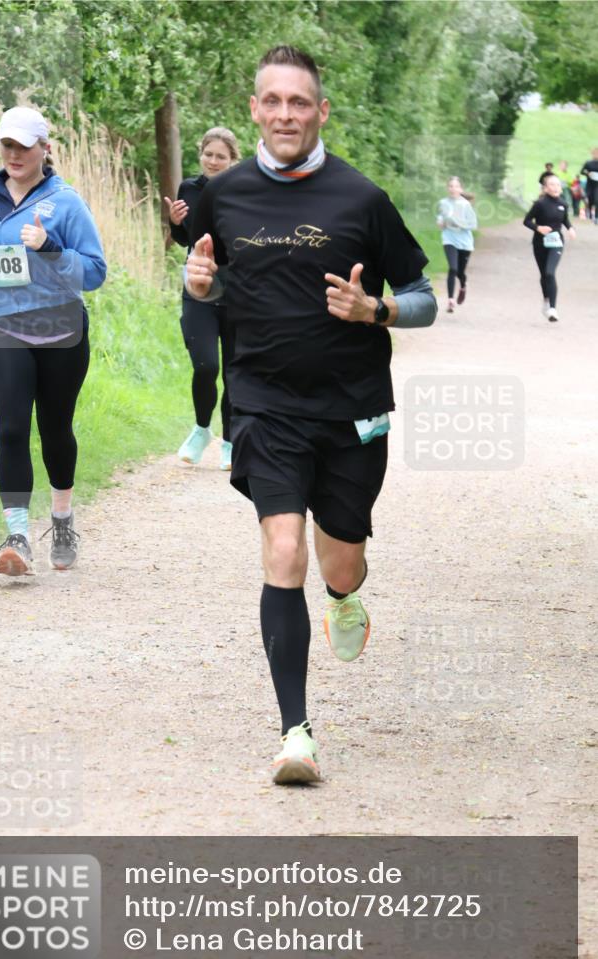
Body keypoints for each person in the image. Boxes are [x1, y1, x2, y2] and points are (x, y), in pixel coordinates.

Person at [185, 46, 436, 785]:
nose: (285, 114)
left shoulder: (362, 199)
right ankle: (296, 732)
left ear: (320, 111)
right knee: (282, 551)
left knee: (339, 556)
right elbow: (207, 281)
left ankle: (344, 597)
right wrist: (198, 285)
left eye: (300, 102)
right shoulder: (221, 195)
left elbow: (423, 297)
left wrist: (377, 308)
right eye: (272, 101)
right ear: (254, 108)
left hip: (353, 410)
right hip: (264, 403)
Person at [0, 106, 106, 576]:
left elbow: (96, 273)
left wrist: (51, 249)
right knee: (11, 427)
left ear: (46, 149)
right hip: (2, 326)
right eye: (7, 145)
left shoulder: (66, 203)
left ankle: (61, 520)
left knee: (55, 430)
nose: (14, 154)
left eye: (24, 146)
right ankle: (16, 535)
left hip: (60, 331)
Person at [165, 128, 240, 470]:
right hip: (199, 284)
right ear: (201, 156)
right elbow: (185, 239)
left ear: (232, 160)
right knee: (206, 365)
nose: (213, 161)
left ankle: (230, 440)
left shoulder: (244, 189)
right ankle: (201, 429)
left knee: (235, 370)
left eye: (220, 156)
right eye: (208, 154)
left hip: (239, 287)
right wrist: (175, 223)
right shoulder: (188, 189)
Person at [523, 174, 576, 322]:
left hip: (556, 243)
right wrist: (538, 228)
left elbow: (565, 219)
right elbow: (526, 221)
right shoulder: (539, 204)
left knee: (550, 272)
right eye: (552, 185)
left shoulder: (563, 204)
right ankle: (546, 300)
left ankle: (552, 308)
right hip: (539, 243)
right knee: (544, 275)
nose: (555, 187)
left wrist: (571, 228)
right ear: (546, 188)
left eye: (558, 185)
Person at [436, 176, 478, 313]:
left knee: (460, 272)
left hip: (465, 243)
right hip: (449, 239)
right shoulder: (443, 203)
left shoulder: (465, 205)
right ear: (448, 188)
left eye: (456, 186)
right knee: (453, 269)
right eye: (451, 186)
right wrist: (441, 223)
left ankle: (463, 285)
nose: (453, 189)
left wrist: (457, 222)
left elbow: (473, 225)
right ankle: (450, 300)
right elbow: (441, 219)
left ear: (461, 189)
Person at [580, 148, 598, 223]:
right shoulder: (588, 163)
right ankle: (590, 214)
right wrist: (588, 174)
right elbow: (582, 171)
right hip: (590, 184)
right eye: (595, 153)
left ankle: (596, 217)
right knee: (590, 199)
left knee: (597, 199)